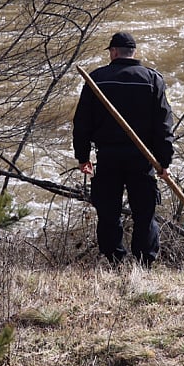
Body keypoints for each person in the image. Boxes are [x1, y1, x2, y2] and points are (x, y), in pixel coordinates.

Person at [72, 32, 175, 266]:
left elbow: (82, 123)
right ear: (134, 53)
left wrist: (82, 156)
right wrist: (164, 162)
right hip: (143, 159)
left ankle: (114, 261)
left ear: (114, 52)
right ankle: (144, 264)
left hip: (108, 156)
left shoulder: (96, 79)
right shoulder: (152, 79)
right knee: (144, 214)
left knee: (108, 213)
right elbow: (163, 124)